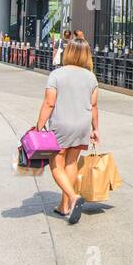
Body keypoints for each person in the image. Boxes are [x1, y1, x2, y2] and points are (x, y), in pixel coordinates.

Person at [35, 40, 99, 225]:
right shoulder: (90, 77)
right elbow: (94, 106)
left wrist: (39, 126)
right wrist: (96, 129)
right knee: (71, 162)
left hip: (61, 125)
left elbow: (49, 103)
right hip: (82, 124)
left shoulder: (57, 75)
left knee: (56, 163)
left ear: (68, 52)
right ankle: (63, 207)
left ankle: (72, 197)